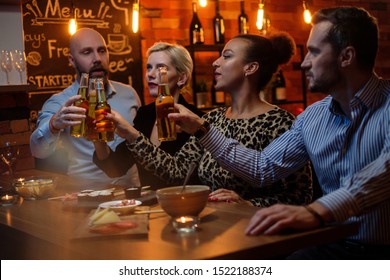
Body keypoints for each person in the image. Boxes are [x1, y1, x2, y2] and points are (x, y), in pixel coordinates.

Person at [169, 7, 390, 259]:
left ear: (346, 56)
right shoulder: (312, 117)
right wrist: (202, 129)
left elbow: (385, 171)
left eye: (314, 52)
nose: (304, 62)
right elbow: (262, 168)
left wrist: (317, 211)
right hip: (331, 245)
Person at [94, 33, 313, 207]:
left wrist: (248, 204)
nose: (216, 63)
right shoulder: (213, 119)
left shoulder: (279, 122)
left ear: (251, 67)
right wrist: (129, 133)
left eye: (226, 56)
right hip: (214, 229)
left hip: (257, 236)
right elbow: (175, 171)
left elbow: (301, 195)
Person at [30, 28, 141, 187]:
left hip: (132, 195)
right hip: (86, 195)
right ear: (72, 60)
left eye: (101, 51)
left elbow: (143, 147)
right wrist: (53, 124)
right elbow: (37, 151)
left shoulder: (129, 94)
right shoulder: (61, 102)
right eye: (87, 52)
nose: (97, 58)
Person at [93, 42, 205, 189]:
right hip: (149, 208)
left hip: (182, 204)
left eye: (161, 68)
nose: (150, 74)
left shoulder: (197, 120)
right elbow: (115, 168)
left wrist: (131, 133)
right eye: (149, 67)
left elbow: (180, 178)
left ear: (181, 78)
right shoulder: (145, 114)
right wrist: (97, 137)